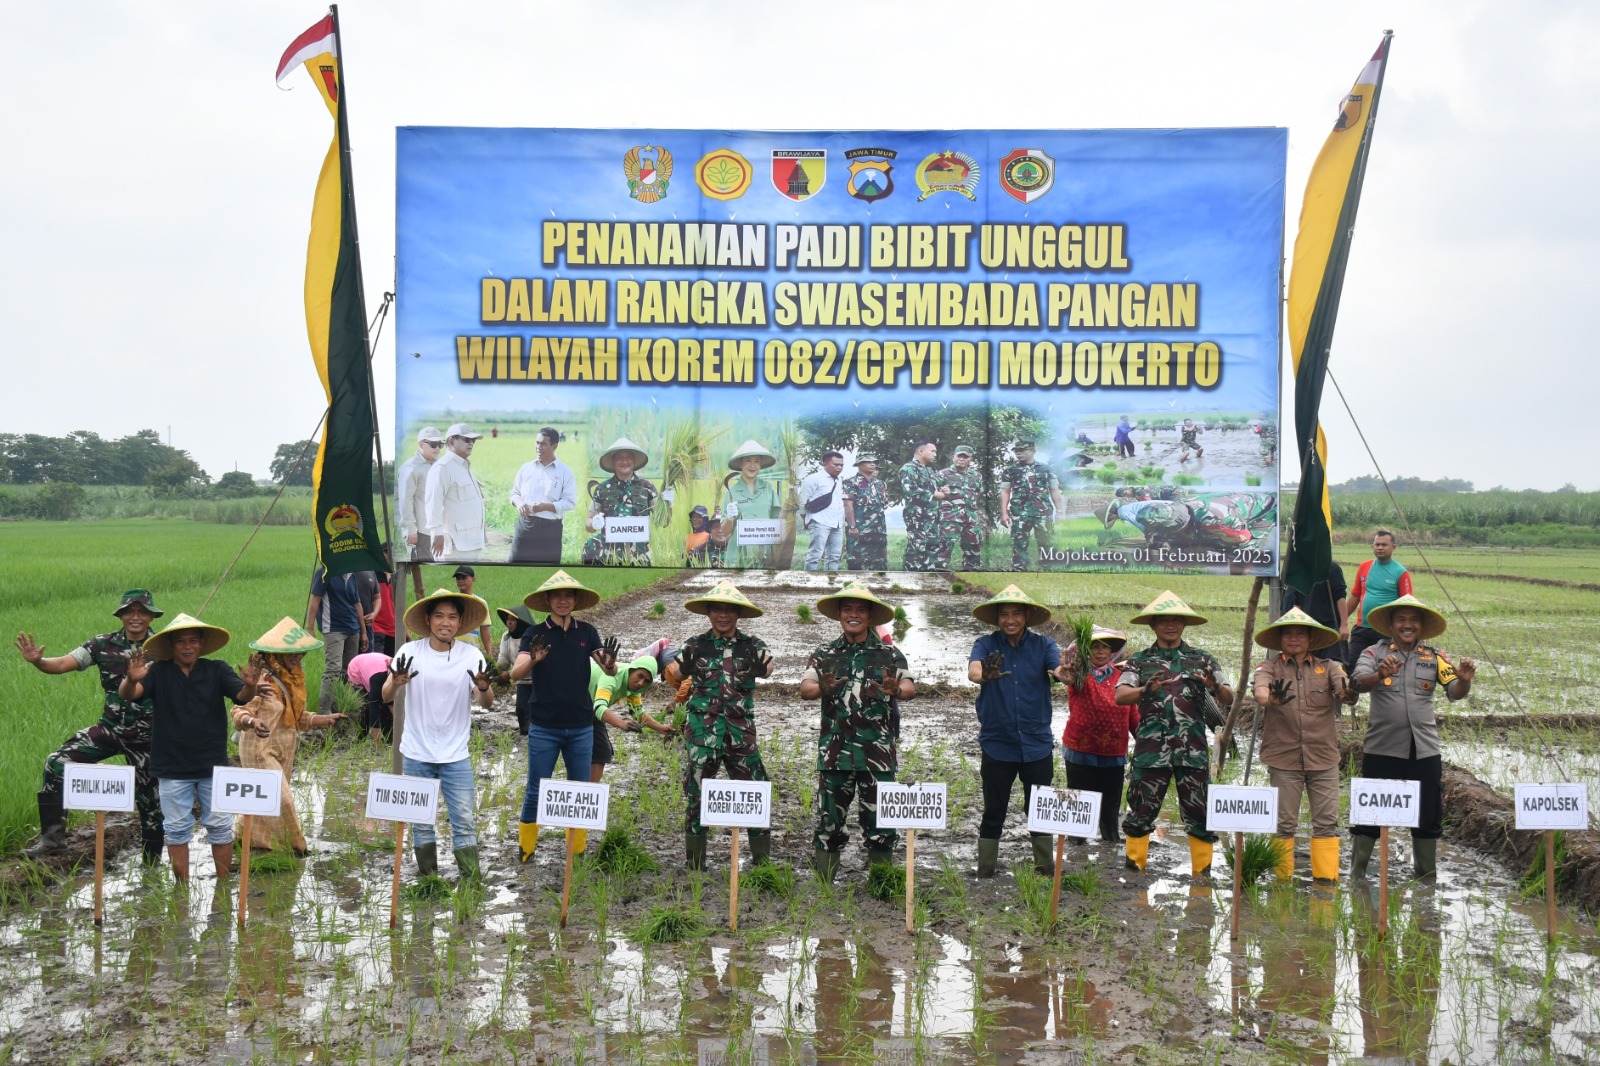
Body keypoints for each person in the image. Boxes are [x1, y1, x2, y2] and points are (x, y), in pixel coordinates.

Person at [14, 588, 166, 863]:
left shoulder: (161, 649)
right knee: (56, 763)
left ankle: (152, 866)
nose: (136, 617)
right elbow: (61, 664)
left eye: (142, 611)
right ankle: (52, 840)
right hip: (109, 729)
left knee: (151, 804)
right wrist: (38, 661)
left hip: (149, 736)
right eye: (129, 611)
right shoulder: (101, 644)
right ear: (120, 615)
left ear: (151, 615)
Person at [118, 613, 265, 882]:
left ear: (201, 644)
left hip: (212, 765)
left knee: (220, 826)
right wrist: (130, 679)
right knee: (175, 829)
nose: (187, 646)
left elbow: (241, 696)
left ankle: (223, 885)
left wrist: (250, 685)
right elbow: (130, 694)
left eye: (193, 641)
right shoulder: (158, 672)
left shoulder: (217, 669)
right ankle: (181, 889)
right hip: (172, 766)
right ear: (171, 647)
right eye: (181, 641)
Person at [1349, 595, 1475, 880]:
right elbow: (1357, 683)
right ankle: (1357, 876)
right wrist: (1380, 675)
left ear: (1421, 626)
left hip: (1424, 750)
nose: (1408, 625)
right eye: (1401, 620)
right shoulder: (1373, 653)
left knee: (1427, 817)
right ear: (1391, 625)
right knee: (1369, 815)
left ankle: (1425, 879)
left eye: (1413, 620)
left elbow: (1454, 692)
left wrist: (1464, 681)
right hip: (1382, 749)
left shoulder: (1435, 657)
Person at [801, 582, 915, 882]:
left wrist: (897, 690)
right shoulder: (824, 653)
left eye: (860, 610)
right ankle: (826, 884)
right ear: (839, 615)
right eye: (848, 609)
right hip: (835, 754)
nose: (854, 615)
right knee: (829, 823)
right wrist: (821, 687)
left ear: (870, 616)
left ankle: (881, 883)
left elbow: (909, 687)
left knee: (881, 823)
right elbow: (806, 688)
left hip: (877, 755)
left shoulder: (889, 654)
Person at [383, 589, 495, 882]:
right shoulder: (410, 653)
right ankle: (429, 879)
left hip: (456, 754)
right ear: (429, 620)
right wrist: (396, 684)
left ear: (460, 623)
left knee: (464, 821)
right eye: (439, 616)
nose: (446, 622)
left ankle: (471, 882)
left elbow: (487, 703)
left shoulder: (470, 655)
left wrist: (483, 687)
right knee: (421, 822)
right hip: (417, 752)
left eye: (452, 617)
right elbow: (385, 695)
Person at [1117, 590, 1231, 878]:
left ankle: (1201, 878)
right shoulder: (1140, 661)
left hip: (1192, 752)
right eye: (1164, 621)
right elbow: (1121, 696)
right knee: (1141, 812)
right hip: (1150, 751)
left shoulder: (1202, 659)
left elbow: (1229, 698)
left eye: (1176, 620)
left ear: (1184, 625)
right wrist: (1145, 690)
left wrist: (1214, 687)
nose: (1171, 625)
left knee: (1200, 815)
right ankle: (1135, 874)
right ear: (1153, 625)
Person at [512, 571, 619, 863]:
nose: (562, 601)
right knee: (536, 787)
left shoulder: (586, 632)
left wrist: (610, 665)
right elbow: (515, 672)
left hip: (581, 725)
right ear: (547, 600)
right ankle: (526, 849)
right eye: (557, 596)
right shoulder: (535, 634)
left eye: (568, 596)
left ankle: (577, 850)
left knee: (580, 791)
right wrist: (533, 660)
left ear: (575, 600)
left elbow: (606, 666)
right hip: (545, 726)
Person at [967, 585, 1072, 877]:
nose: (1010, 620)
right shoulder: (986, 644)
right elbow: (974, 670)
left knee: (1039, 810)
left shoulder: (1044, 646)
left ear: (1026, 616)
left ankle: (1045, 868)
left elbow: (1057, 670)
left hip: (1036, 743)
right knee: (993, 811)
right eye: (1004, 615)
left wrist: (1064, 673)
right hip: (997, 743)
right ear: (997, 619)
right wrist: (983, 676)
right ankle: (985, 870)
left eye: (1016, 613)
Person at [674, 580, 775, 871]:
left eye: (729, 610)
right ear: (708, 612)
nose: (723, 615)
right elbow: (677, 670)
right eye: (717, 609)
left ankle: (761, 864)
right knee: (696, 795)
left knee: (756, 793)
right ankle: (695, 865)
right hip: (703, 735)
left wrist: (761, 670)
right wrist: (685, 670)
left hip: (740, 735)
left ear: (738, 614)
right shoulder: (696, 644)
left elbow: (768, 666)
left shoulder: (751, 645)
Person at [1251, 607, 1352, 882]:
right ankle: (1282, 884)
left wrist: (1349, 692)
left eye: (1300, 634)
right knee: (1283, 824)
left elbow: (1344, 691)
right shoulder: (1269, 667)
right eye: (1288, 634)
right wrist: (1269, 698)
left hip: (1323, 758)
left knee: (1327, 823)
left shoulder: (1329, 667)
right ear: (1280, 639)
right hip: (1284, 759)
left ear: (1310, 639)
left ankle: (1326, 883)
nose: (1294, 638)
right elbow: (1260, 690)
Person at [230, 618, 345, 854]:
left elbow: (297, 717)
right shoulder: (262, 681)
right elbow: (238, 710)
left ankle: (246, 838)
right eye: (291, 652)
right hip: (259, 749)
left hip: (285, 749)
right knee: (282, 800)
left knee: (262, 801)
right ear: (276, 653)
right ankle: (297, 848)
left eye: (300, 652)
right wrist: (252, 721)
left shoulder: (293, 678)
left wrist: (323, 719)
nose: (298, 656)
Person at [1059, 624, 1135, 845]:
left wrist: (1143, 740)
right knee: (1080, 801)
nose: (1101, 652)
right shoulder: (1079, 675)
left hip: (1114, 750)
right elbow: (1067, 676)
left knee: (1110, 803)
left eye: (1105, 647)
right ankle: (1076, 844)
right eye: (1095, 647)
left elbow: (1133, 713)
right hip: (1080, 748)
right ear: (1086, 651)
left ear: (1112, 652)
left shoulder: (1123, 677)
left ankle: (1110, 841)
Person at [589, 650, 675, 782]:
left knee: (601, 752)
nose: (641, 683)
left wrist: (660, 728)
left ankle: (590, 792)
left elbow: (637, 712)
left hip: (589, 710)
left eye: (646, 681)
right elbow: (599, 708)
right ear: (631, 669)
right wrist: (623, 724)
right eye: (639, 676)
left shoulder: (634, 688)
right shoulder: (611, 677)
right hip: (572, 704)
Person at [307, 565, 379, 718]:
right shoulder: (324, 573)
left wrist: (363, 632)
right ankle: (324, 710)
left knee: (349, 671)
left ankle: (342, 705)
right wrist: (310, 627)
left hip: (353, 628)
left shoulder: (351, 574)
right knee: (333, 669)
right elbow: (316, 600)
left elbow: (357, 604)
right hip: (334, 628)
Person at [1343, 529, 1412, 672]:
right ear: (1372, 546)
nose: (1380, 548)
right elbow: (1355, 596)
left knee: (1386, 671)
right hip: (1362, 628)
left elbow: (1407, 605)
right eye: (1377, 544)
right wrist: (1341, 621)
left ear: (1393, 547)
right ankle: (1351, 693)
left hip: (1385, 631)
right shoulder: (1364, 567)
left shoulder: (1401, 572)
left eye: (1384, 545)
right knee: (1350, 668)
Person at [583, 437, 658, 566]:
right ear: (613, 462)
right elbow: (588, 524)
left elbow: (663, 521)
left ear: (634, 460)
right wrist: (595, 523)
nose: (624, 461)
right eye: (619, 457)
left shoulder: (647, 487)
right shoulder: (602, 488)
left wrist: (669, 503)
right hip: (610, 558)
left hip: (640, 558)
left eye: (628, 457)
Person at [509, 426, 577, 564]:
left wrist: (546, 507)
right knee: (514, 568)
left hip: (550, 531)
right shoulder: (526, 468)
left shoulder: (565, 472)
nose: (538, 447)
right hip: (525, 527)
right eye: (537, 443)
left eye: (543, 444)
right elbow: (514, 493)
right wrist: (520, 503)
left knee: (547, 573)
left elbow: (570, 502)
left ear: (555, 446)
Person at [424, 422, 488, 562]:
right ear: (452, 441)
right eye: (466, 439)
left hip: (472, 542)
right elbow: (433, 502)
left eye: (473, 440)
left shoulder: (464, 466)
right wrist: (436, 533)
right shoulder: (442, 468)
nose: (471, 443)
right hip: (454, 545)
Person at [998, 441, 1064, 572]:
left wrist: (1060, 510)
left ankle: (1047, 568)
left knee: (1046, 541)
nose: (1018, 453)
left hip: (1043, 512)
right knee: (1019, 542)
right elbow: (1005, 492)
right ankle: (1019, 569)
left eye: (1022, 450)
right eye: (1016, 450)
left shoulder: (1046, 468)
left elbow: (1054, 489)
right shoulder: (1010, 470)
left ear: (1033, 451)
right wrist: (1003, 513)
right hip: (1020, 513)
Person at [725, 439, 782, 567]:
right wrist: (729, 517)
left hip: (763, 554)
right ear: (740, 463)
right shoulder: (731, 492)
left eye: (757, 461)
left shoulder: (768, 488)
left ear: (761, 465)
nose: (752, 465)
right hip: (738, 556)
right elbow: (724, 532)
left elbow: (776, 520)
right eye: (748, 461)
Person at [1280, 560, 1349, 662]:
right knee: (1308, 665)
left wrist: (1344, 625)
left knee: (1335, 665)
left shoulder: (1332, 568)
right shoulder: (1301, 570)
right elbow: (1297, 603)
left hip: (1330, 628)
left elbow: (1340, 597)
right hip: (1310, 629)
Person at [899, 441, 948, 571]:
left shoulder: (930, 471)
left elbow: (940, 485)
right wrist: (935, 494)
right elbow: (910, 490)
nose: (935, 454)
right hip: (917, 517)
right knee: (917, 549)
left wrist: (945, 489)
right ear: (921, 451)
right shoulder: (908, 468)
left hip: (933, 517)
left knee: (933, 547)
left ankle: (929, 577)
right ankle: (910, 579)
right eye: (932, 451)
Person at [397, 427, 443, 562]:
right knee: (423, 570)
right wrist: (410, 529)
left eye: (440, 444)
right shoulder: (410, 468)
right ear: (421, 444)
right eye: (433, 444)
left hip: (436, 529)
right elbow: (405, 500)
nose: (437, 448)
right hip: (421, 532)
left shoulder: (437, 465)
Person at [938, 444, 985, 571]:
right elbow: (935, 494)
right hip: (950, 517)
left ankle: (971, 573)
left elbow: (978, 493)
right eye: (959, 456)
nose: (962, 459)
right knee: (945, 546)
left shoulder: (976, 476)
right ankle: (938, 572)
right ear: (954, 457)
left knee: (973, 546)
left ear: (970, 459)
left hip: (970, 517)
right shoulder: (943, 474)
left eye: (965, 457)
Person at [799, 451, 847, 572]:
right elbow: (802, 501)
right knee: (815, 555)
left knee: (835, 556)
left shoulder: (839, 480)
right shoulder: (814, 479)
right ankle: (808, 582)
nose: (839, 467)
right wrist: (806, 519)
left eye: (841, 465)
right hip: (819, 521)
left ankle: (830, 582)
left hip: (836, 523)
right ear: (825, 463)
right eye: (836, 464)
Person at [495, 604, 537, 736]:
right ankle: (526, 734)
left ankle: (538, 733)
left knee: (537, 708)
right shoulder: (506, 637)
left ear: (520, 621)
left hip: (538, 679)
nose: (509, 622)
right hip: (521, 680)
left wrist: (510, 675)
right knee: (521, 709)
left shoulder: (533, 636)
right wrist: (496, 672)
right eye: (507, 619)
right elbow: (503, 660)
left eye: (512, 619)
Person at [842, 455, 888, 572]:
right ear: (859, 465)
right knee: (856, 560)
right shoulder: (850, 482)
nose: (872, 464)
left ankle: (878, 588)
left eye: (874, 462)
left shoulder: (880, 484)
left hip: (878, 530)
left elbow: (883, 504)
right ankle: (855, 588)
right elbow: (848, 505)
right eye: (868, 462)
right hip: (859, 529)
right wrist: (852, 527)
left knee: (879, 562)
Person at [346, 650, 393, 742]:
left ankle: (390, 737)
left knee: (387, 704)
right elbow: (374, 707)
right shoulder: (378, 678)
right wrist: (377, 742)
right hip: (357, 669)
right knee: (367, 706)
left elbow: (395, 707)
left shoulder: (402, 675)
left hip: (374, 665)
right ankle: (361, 737)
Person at [450, 566, 494, 652]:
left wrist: (489, 653)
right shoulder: (451, 600)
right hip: (452, 648)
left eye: (464, 578)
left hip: (472, 649)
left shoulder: (480, 603)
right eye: (458, 579)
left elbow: (484, 630)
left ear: (473, 580)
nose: (460, 581)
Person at [371, 547, 397, 656]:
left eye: (391, 552)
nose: (388, 555)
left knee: (392, 663)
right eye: (385, 552)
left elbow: (398, 603)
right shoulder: (372, 574)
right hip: (376, 625)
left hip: (393, 626)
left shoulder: (396, 576)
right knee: (378, 662)